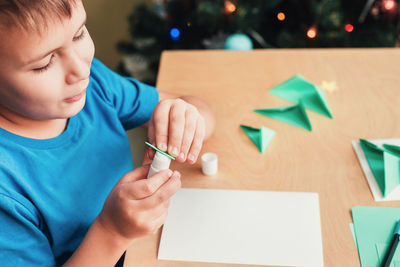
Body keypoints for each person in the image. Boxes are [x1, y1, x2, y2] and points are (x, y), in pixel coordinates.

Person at [0, 0, 216, 266]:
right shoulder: (6, 191)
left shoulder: (95, 86)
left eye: (79, 34)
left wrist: (185, 118)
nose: (80, 70)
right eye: (44, 64)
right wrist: (113, 232)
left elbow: (203, 110)